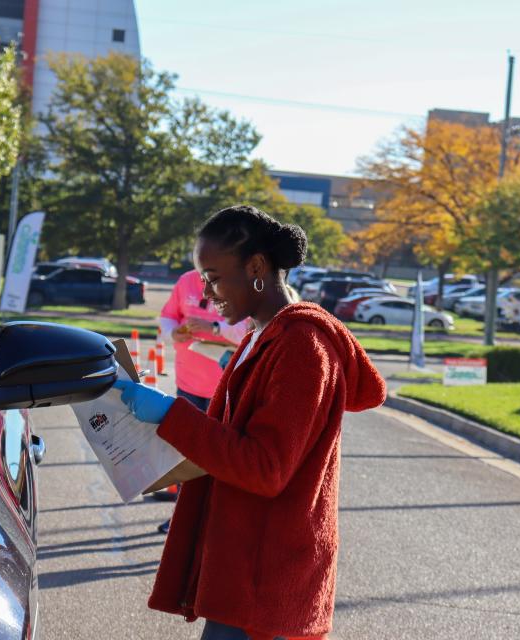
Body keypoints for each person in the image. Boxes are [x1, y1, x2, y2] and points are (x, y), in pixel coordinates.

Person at [114, 205, 387, 640]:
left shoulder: (301, 345)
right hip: (247, 571)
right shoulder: (262, 335)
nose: (206, 293)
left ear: (257, 267)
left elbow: (265, 467)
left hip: (267, 584)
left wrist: (172, 415)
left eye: (214, 276)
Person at [152, 269, 250, 532]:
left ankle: (217, 523)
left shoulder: (240, 280)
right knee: (185, 456)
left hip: (227, 389)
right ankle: (183, 517)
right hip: (188, 384)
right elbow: (167, 316)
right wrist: (174, 333)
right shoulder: (187, 280)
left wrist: (215, 327)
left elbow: (252, 330)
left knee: (221, 460)